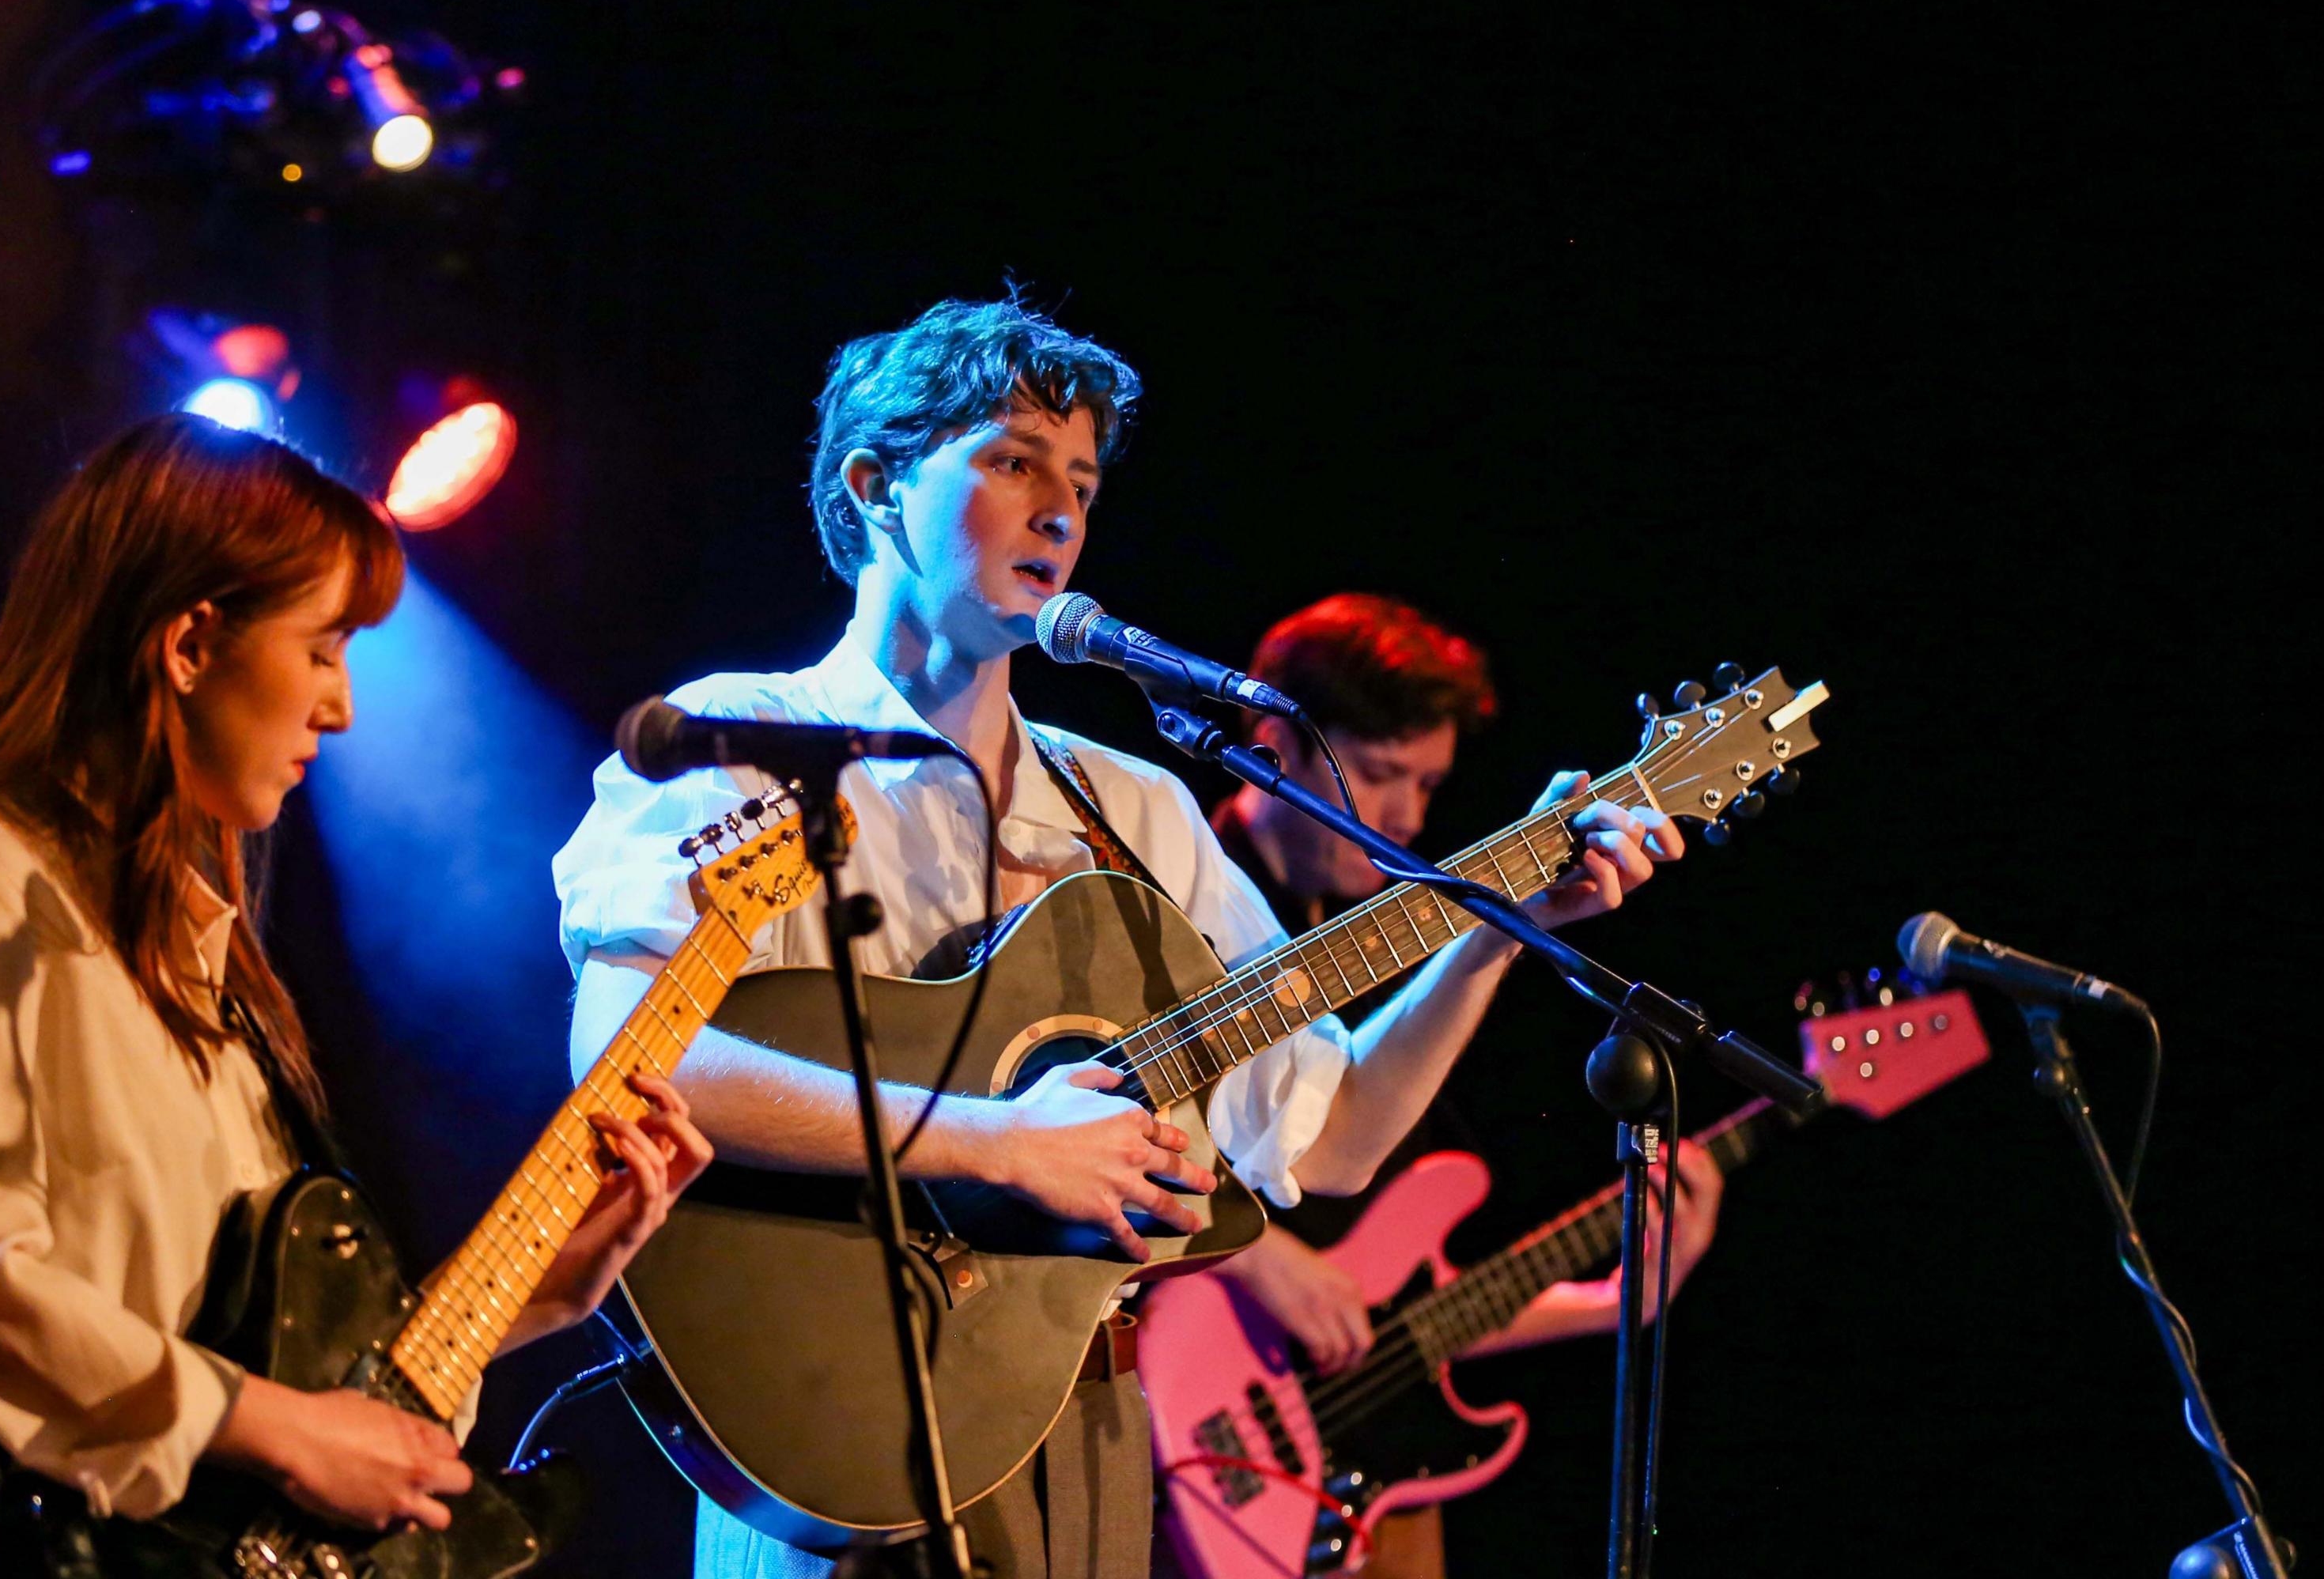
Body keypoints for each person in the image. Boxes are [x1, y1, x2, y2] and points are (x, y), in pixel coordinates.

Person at [551, 297, 1683, 1579]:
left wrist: (1500, 928)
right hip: (819, 1415)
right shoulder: (739, 740)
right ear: (875, 485)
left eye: (1080, 482)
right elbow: (630, 1057)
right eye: (1012, 460)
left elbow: (1334, 1131)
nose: (1058, 512)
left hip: (1085, 1424)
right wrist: (996, 1140)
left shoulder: (1132, 804)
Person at [0, 416, 711, 1539]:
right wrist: (283, 1429)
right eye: (321, 647)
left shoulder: (205, 960)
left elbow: (254, 1361)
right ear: (192, 644)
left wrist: (539, 1295)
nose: (343, 706)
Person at [1201, 593, 1723, 1579]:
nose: (1404, 818)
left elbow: (1400, 1313)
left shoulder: (1397, 927)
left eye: (1428, 782)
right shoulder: (1187, 893)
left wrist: (1619, 1303)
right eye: (1380, 774)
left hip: (1363, 1468)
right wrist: (1257, 1259)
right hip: (1168, 1443)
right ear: (1273, 745)